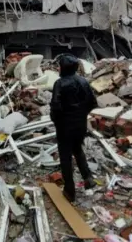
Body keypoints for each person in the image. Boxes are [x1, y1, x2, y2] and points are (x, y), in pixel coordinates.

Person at [50, 54, 98, 202]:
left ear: (64, 68)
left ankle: (69, 191)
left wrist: (57, 120)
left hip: (65, 126)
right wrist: (81, 113)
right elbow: (92, 102)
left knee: (65, 157)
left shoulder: (60, 83)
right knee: (78, 149)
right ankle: (88, 178)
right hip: (80, 125)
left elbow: (56, 107)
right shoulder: (83, 81)